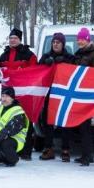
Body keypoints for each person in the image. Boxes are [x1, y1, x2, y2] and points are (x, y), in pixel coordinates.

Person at [0, 28, 37, 160]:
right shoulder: (3, 55)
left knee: (25, 121)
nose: (12, 40)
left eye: (15, 38)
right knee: (8, 121)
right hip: (8, 95)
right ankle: (10, 148)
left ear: (20, 40)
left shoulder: (28, 54)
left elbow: (35, 71)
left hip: (24, 94)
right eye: (10, 38)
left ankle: (26, 151)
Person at [38, 32, 77, 162]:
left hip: (64, 94)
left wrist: (64, 62)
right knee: (48, 121)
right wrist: (45, 64)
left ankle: (65, 149)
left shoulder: (70, 57)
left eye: (58, 42)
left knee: (64, 121)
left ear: (63, 44)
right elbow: (37, 72)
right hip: (49, 93)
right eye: (54, 42)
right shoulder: (46, 56)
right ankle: (49, 148)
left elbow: (76, 73)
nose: (55, 44)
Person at [73, 27, 94, 166]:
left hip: (90, 94)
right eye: (78, 39)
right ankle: (86, 154)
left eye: (82, 39)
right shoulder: (79, 53)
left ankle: (88, 156)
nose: (80, 41)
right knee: (82, 126)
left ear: (87, 39)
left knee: (86, 127)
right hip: (80, 93)